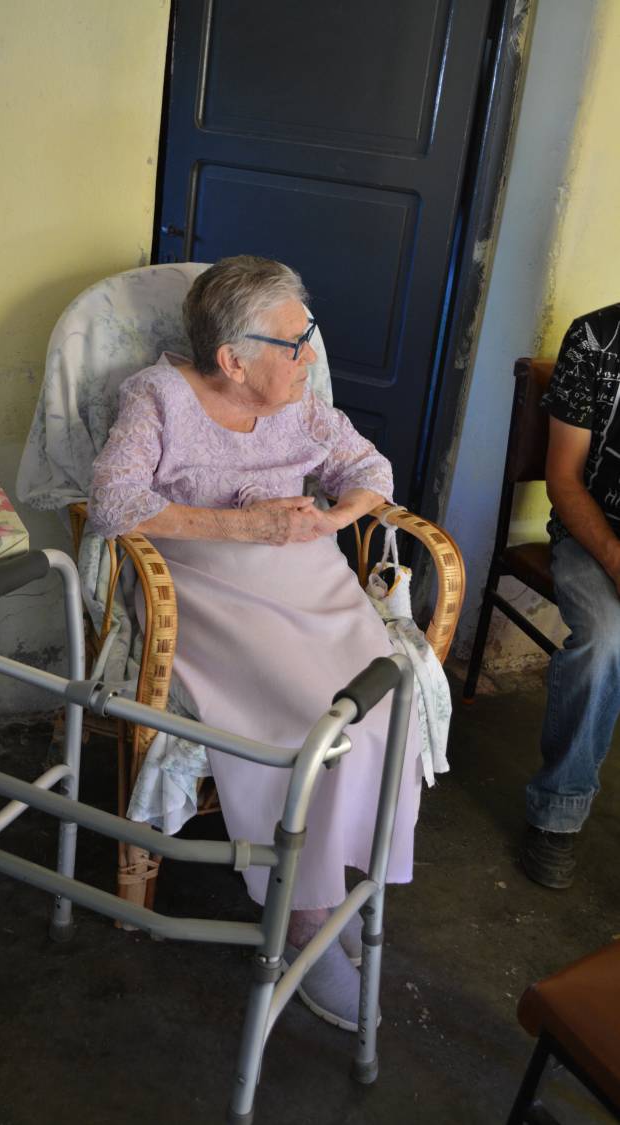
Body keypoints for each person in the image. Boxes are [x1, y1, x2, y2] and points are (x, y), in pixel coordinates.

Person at [89, 255, 422, 1028]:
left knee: (379, 710)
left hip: (312, 580)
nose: (312, 355)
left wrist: (337, 519)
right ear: (233, 361)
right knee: (307, 724)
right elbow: (113, 500)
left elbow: (368, 465)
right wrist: (246, 525)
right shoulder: (159, 399)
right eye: (294, 342)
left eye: (307, 335)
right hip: (213, 591)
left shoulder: (300, 404)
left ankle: (336, 890)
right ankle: (305, 924)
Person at [520, 303, 620, 889]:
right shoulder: (597, 339)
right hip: (593, 533)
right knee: (606, 642)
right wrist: (614, 558)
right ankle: (558, 814)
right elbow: (564, 478)